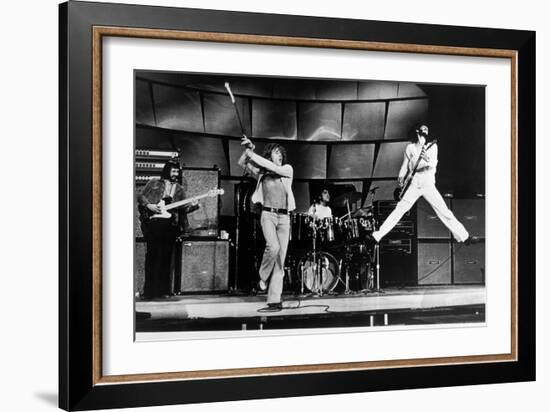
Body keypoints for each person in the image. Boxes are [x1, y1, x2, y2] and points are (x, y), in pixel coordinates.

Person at [371, 124, 476, 245]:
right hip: (414, 183)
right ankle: (377, 236)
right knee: (399, 209)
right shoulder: (410, 148)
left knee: (444, 211)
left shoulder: (432, 146)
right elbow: (405, 165)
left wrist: (426, 158)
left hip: (428, 183)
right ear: (418, 131)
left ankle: (465, 237)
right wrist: (401, 176)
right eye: (423, 128)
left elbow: (433, 164)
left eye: (427, 129)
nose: (426, 130)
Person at [238, 136, 295, 311]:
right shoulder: (262, 174)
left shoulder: (287, 169)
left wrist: (252, 152)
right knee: (273, 247)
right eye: (275, 152)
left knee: (280, 260)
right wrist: (249, 148)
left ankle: (274, 300)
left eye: (280, 153)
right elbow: (242, 162)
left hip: (284, 218)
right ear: (269, 155)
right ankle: (262, 277)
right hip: (268, 215)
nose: (279, 155)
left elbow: (269, 165)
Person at [137, 160, 199, 300]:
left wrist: (195, 205)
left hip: (170, 225)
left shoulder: (179, 189)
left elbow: (184, 209)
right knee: (152, 257)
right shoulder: (153, 182)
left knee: (166, 259)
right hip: (153, 224)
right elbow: (140, 196)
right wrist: (149, 206)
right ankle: (149, 291)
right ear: (167, 170)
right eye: (173, 170)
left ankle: (163, 290)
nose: (175, 173)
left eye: (177, 171)